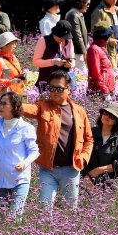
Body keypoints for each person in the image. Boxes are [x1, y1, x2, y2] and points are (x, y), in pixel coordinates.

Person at [22, 71, 93, 212]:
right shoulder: (43, 106)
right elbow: (26, 109)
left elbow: (88, 139)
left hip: (71, 169)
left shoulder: (79, 112)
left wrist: (83, 158)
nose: (54, 92)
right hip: (48, 169)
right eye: (51, 88)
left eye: (59, 88)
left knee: (70, 210)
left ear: (69, 89)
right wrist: (15, 96)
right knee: (44, 207)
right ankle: (44, 233)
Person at [0, 92, 39, 220]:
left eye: (4, 103)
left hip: (20, 178)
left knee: (15, 216)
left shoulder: (26, 128)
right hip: (0, 178)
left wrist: (24, 163)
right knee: (2, 217)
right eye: (0, 103)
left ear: (14, 106)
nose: (1, 106)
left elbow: (34, 151)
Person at [83, 102, 118, 186]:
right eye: (105, 113)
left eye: (112, 116)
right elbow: (82, 156)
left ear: (116, 121)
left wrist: (99, 170)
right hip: (89, 180)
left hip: (113, 184)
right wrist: (86, 176)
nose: (107, 117)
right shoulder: (90, 132)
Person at [32, 20, 75, 90]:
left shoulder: (69, 41)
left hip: (64, 83)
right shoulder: (43, 40)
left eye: (66, 37)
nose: (63, 40)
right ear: (55, 33)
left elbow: (72, 59)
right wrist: (53, 62)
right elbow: (35, 62)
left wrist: (70, 64)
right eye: (62, 37)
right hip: (47, 81)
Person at [90, 0, 118, 69]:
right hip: (105, 50)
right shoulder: (99, 11)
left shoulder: (116, 9)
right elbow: (94, 33)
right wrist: (109, 40)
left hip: (116, 48)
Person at [86, 27, 116, 98]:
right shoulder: (94, 49)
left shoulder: (101, 48)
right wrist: (103, 89)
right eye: (108, 38)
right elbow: (96, 71)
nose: (108, 40)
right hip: (100, 91)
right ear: (102, 39)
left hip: (108, 88)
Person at [65, 0, 91, 71]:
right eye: (87, 4)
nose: (88, 6)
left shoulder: (77, 14)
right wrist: (84, 52)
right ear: (81, 3)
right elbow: (77, 36)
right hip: (77, 53)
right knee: (82, 74)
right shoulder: (73, 14)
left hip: (79, 51)